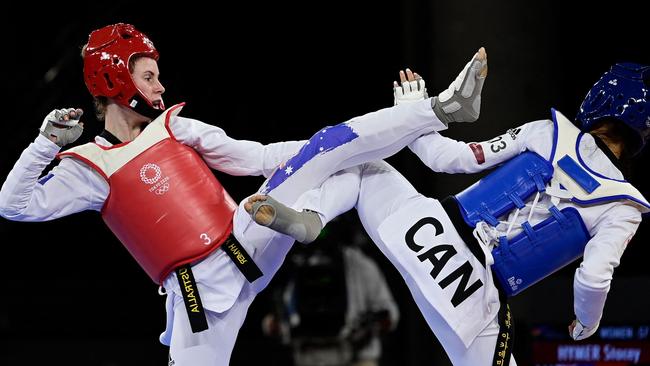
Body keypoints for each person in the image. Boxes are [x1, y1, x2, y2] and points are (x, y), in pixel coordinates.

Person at [0, 23, 488, 365]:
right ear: (114, 79)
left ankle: (440, 110)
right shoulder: (90, 166)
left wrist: (320, 151)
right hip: (196, 302)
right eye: (148, 75)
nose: (160, 85)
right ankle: (311, 216)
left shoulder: (177, 127)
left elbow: (255, 157)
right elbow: (14, 205)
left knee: (348, 159)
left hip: (247, 236)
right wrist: (45, 145)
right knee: (346, 165)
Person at [245, 62, 650, 365]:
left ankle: (313, 217)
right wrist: (586, 325)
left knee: (364, 165)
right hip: (473, 294)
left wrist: (413, 111)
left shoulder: (548, 132)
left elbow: (447, 158)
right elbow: (594, 279)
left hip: (425, 228)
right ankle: (313, 218)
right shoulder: (624, 205)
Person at [262, 219, 399, 366]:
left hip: (355, 356)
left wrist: (373, 321)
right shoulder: (291, 264)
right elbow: (270, 323)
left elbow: (391, 315)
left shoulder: (359, 264)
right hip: (308, 356)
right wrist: (278, 324)